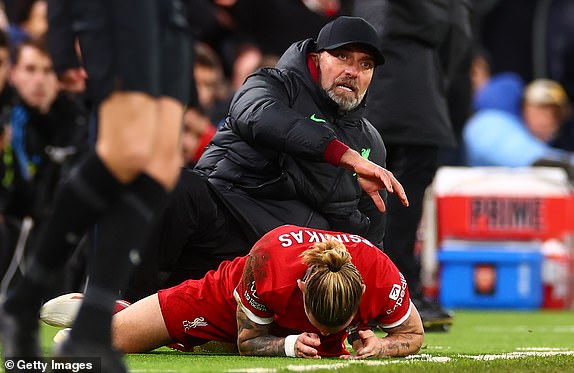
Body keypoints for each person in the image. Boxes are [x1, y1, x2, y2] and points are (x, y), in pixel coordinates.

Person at [123, 16, 409, 301]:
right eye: (342, 56)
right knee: (167, 183)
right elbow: (259, 116)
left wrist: (370, 320)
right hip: (222, 214)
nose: (352, 71)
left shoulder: (370, 144)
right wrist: (343, 155)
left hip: (283, 262)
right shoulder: (270, 83)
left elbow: (369, 243)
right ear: (315, 58)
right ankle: (127, 305)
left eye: (365, 64)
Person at [0, 1, 191, 372]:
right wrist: (61, 39)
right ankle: (26, 303)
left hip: (169, 17)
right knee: (126, 152)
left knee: (161, 167)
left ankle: (90, 324)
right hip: (118, 14)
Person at [61, 225, 423, 358]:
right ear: (299, 288)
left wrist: (384, 345)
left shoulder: (380, 274)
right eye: (321, 324)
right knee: (107, 342)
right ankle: (110, 310)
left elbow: (413, 333)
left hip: (281, 316)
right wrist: (287, 345)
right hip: (228, 302)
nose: (329, 334)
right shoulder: (271, 264)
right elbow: (248, 340)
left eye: (338, 325)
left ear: (362, 292)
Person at [352, 0, 473, 331]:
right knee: (405, 201)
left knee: (362, 196)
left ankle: (360, 290)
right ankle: (402, 294)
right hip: (419, 96)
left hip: (366, 99)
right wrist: (440, 80)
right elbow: (458, 36)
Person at [464, 73, 573, 170]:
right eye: (541, 109)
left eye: (555, 114)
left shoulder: (541, 145)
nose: (548, 119)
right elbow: (524, 156)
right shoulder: (491, 124)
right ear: (524, 108)